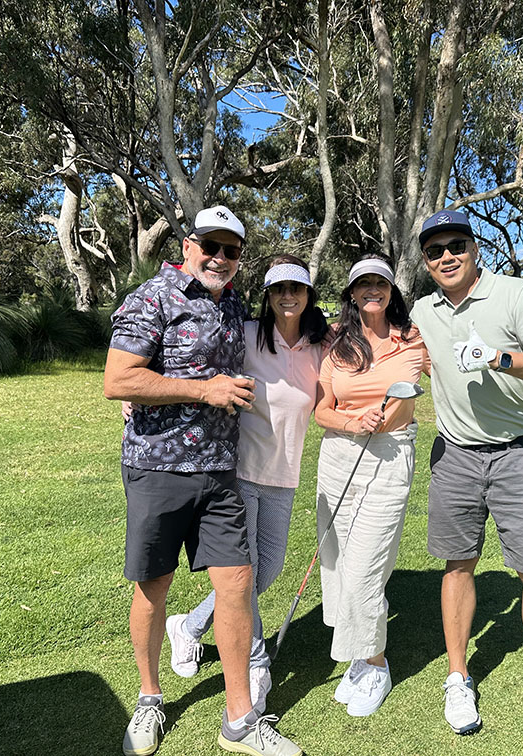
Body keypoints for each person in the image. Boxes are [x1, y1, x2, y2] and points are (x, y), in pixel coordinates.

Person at [103, 205, 301, 756]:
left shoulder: (233, 301)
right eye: (210, 246)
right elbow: (118, 380)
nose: (219, 258)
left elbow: (286, 329)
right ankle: (149, 700)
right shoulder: (152, 297)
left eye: (231, 250)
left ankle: (240, 719)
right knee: (153, 587)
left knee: (237, 587)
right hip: (158, 469)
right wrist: (203, 389)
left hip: (220, 472)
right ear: (187, 245)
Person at [409, 209, 523, 738]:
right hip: (455, 457)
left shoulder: (513, 294)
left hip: (517, 455)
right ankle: (457, 676)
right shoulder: (422, 310)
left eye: (456, 245)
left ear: (474, 249)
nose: (446, 256)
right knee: (458, 566)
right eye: (434, 250)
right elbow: (374, 334)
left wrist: (499, 358)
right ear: (426, 262)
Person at [163, 255, 329, 714]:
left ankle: (190, 625)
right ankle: (256, 664)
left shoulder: (321, 343)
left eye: (296, 288)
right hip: (237, 470)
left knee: (268, 571)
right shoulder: (250, 334)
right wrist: (140, 395)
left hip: (284, 475)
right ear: (269, 295)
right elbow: (195, 357)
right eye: (279, 289)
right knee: (246, 573)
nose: (288, 296)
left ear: (308, 294)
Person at [312, 253, 428, 717]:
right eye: (364, 284)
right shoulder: (337, 342)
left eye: (380, 282)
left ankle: (376, 664)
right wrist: (350, 418)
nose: (373, 290)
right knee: (338, 564)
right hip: (339, 455)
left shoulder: (414, 339)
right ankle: (359, 657)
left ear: (391, 289)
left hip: (391, 455)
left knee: (366, 567)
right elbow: (321, 410)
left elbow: (461, 373)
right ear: (352, 294)